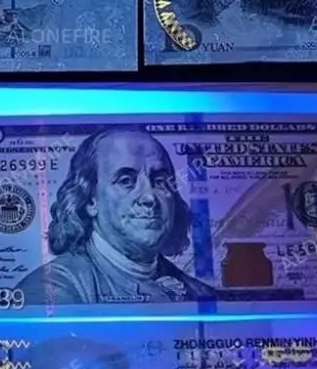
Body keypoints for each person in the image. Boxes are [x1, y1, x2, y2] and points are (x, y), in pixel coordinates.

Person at [16, 128, 216, 304]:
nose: (149, 197)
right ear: (90, 200)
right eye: (126, 181)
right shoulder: (50, 291)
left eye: (160, 181)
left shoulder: (201, 295)